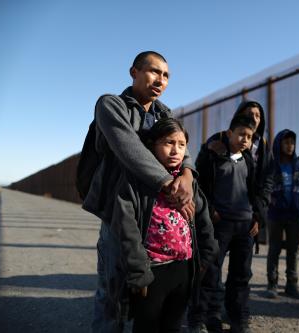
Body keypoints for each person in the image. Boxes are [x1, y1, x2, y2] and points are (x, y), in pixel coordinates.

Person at [87, 51, 197, 332]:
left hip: (155, 217)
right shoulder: (111, 105)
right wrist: (170, 185)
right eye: (154, 71)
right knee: (112, 295)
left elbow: (181, 145)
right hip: (119, 212)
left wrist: (187, 173)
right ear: (134, 72)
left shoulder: (164, 112)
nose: (160, 79)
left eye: (166, 75)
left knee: (148, 297)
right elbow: (129, 149)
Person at [112, 118, 218, 332]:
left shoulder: (189, 184)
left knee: (173, 325)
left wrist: (205, 258)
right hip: (152, 271)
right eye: (169, 143)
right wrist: (139, 272)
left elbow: (204, 222)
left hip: (184, 270)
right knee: (147, 325)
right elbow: (126, 228)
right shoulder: (135, 181)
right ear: (151, 145)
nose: (175, 150)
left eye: (181, 145)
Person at [189, 113, 260, 333]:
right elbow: (198, 185)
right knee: (210, 272)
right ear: (230, 133)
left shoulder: (249, 159)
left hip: (245, 225)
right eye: (241, 134)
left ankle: (238, 316)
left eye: (249, 136)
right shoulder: (213, 154)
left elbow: (254, 190)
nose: (245, 140)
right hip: (219, 224)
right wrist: (210, 211)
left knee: (241, 275)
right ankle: (203, 318)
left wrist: (256, 216)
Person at [203, 100, 273, 252]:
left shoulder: (264, 146)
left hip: (247, 217)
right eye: (249, 114)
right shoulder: (219, 139)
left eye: (257, 115)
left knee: (242, 270)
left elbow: (267, 182)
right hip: (220, 217)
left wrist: (258, 215)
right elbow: (203, 177)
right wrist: (210, 209)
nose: (254, 118)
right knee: (212, 266)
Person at [265, 129, 299, 300]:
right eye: (286, 142)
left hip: (295, 215)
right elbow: (265, 186)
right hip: (276, 214)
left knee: (293, 251)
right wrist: (271, 200)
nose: (290, 146)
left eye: (292, 142)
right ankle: (272, 284)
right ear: (279, 144)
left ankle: (291, 285)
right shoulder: (271, 166)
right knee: (274, 249)